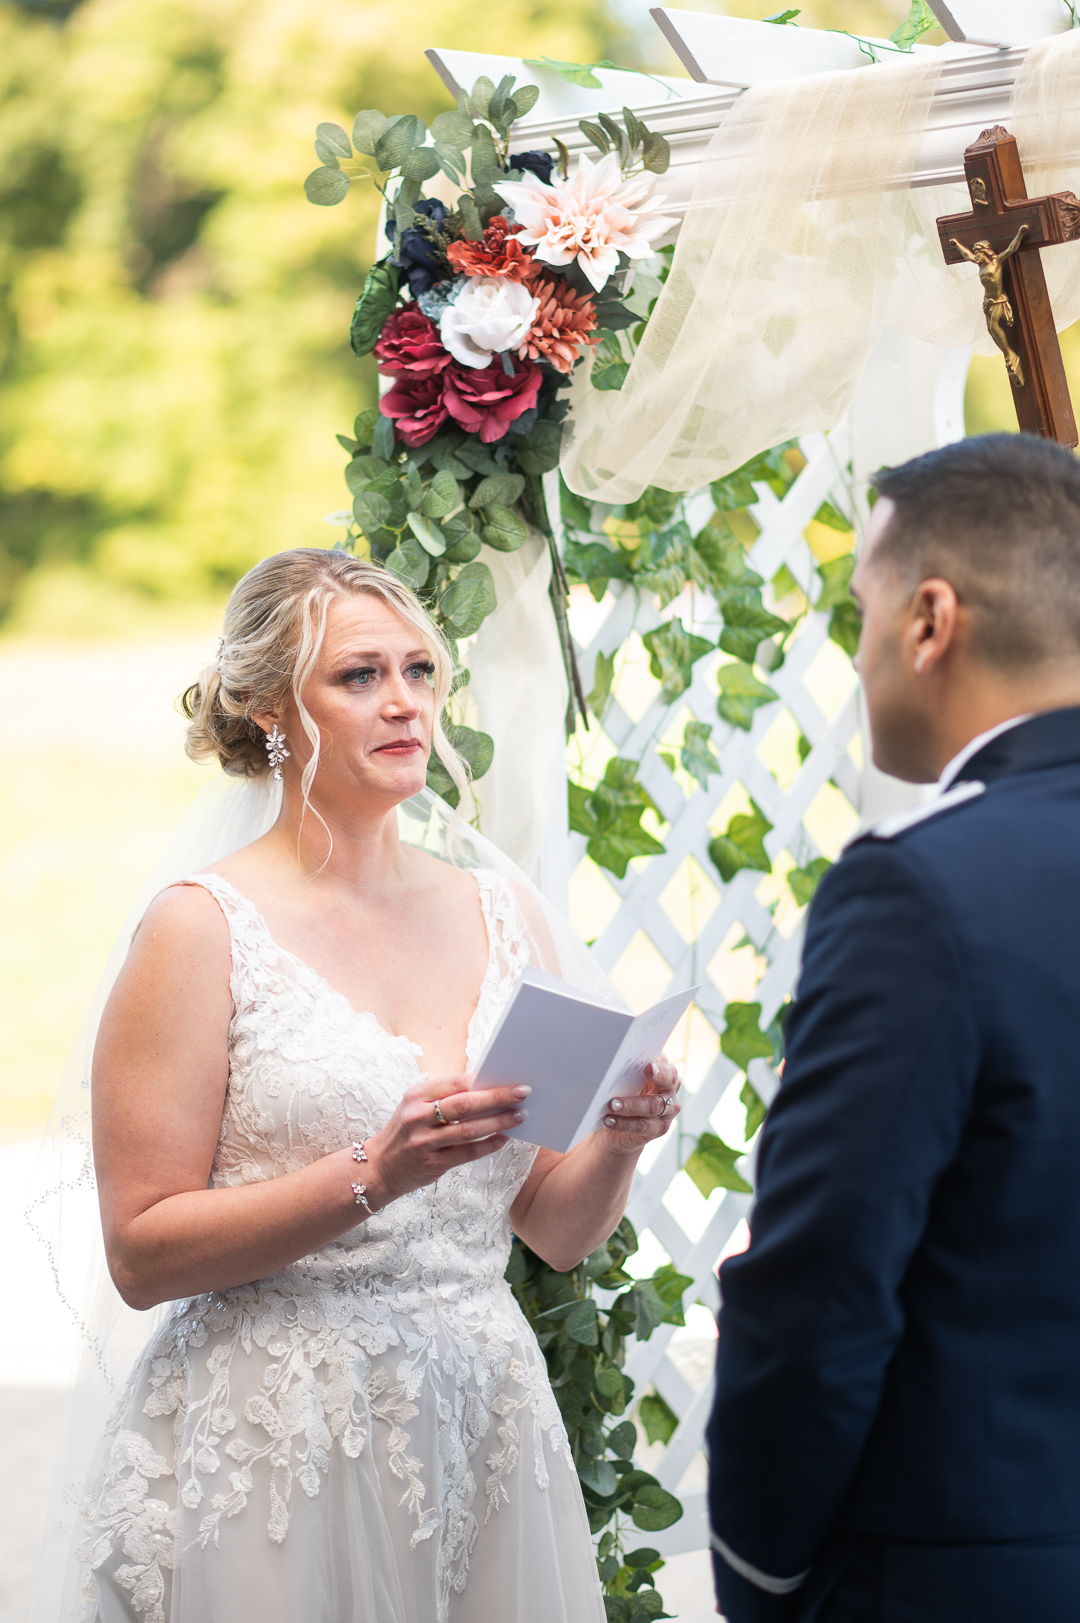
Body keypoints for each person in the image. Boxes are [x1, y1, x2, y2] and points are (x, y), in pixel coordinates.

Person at [75, 547, 681, 1623]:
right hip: (278, 1436)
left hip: (481, 1419)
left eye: (419, 672)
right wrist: (378, 1170)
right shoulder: (199, 929)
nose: (403, 703)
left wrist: (620, 1139)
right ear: (267, 706)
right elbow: (139, 1251)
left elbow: (551, 1228)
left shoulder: (505, 914)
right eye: (359, 677)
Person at [707, 433, 1080, 1623]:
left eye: (857, 608)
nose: (858, 649)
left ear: (930, 620)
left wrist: (762, 1572)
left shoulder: (920, 889)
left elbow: (823, 1283)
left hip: (965, 1576)